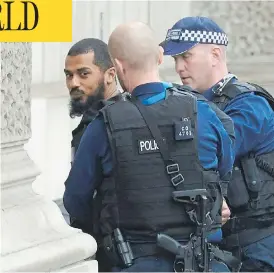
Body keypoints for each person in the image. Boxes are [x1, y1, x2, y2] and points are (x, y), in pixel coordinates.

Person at [63, 21, 239, 272]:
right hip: (204, 263)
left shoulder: (104, 126)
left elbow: (75, 200)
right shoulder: (204, 112)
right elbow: (224, 169)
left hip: (136, 261)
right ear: (159, 57)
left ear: (118, 66)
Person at [161, 16, 274, 272]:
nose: (179, 68)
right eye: (175, 59)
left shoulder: (249, 105)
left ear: (214, 55)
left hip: (258, 245)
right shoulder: (192, 105)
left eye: (185, 56)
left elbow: (207, 153)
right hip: (221, 246)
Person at [64, 38, 124, 163]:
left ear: (110, 75)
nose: (73, 83)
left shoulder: (115, 124)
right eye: (69, 75)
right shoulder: (93, 120)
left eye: (84, 74)